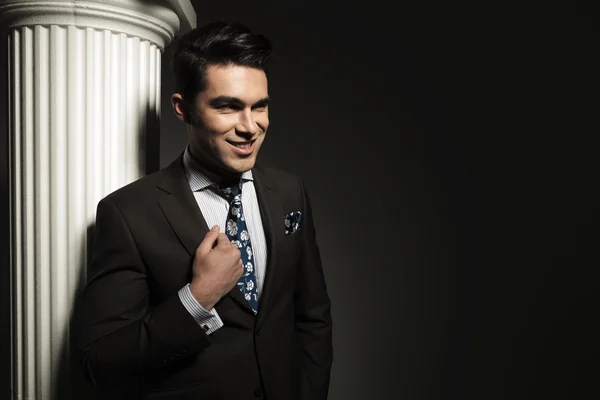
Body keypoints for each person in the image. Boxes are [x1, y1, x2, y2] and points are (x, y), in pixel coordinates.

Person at [75, 21, 333, 399]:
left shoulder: (289, 192)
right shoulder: (129, 213)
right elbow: (99, 361)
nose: (250, 126)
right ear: (184, 109)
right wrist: (197, 299)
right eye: (228, 107)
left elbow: (313, 317)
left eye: (259, 106)